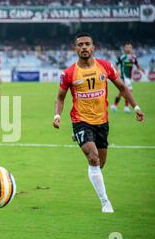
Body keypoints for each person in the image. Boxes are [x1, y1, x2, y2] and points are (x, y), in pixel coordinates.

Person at [53, 33, 145, 213]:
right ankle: (105, 202)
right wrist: (57, 115)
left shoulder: (105, 66)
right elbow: (60, 97)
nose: (84, 47)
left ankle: (79, 138)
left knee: (100, 164)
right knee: (93, 158)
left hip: (102, 122)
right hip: (80, 120)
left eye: (88, 44)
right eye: (80, 45)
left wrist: (136, 107)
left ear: (93, 47)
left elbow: (122, 87)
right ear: (76, 48)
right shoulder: (69, 73)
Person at [111, 42, 145, 113]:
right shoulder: (122, 57)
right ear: (124, 48)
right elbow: (116, 64)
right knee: (128, 91)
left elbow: (137, 64)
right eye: (127, 47)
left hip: (128, 77)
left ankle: (114, 105)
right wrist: (117, 71)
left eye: (130, 47)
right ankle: (126, 107)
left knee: (122, 92)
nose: (128, 49)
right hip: (123, 77)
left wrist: (141, 69)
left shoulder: (133, 57)